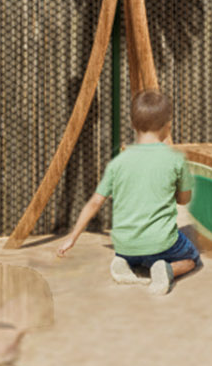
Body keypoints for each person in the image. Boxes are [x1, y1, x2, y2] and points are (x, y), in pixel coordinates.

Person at [67, 86, 204, 295]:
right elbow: (185, 199)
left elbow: (95, 202)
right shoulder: (175, 159)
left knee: (133, 251)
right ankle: (166, 268)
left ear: (132, 124)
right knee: (192, 258)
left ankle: (123, 262)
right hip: (162, 245)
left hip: (125, 245)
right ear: (168, 126)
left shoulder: (118, 162)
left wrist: (73, 237)